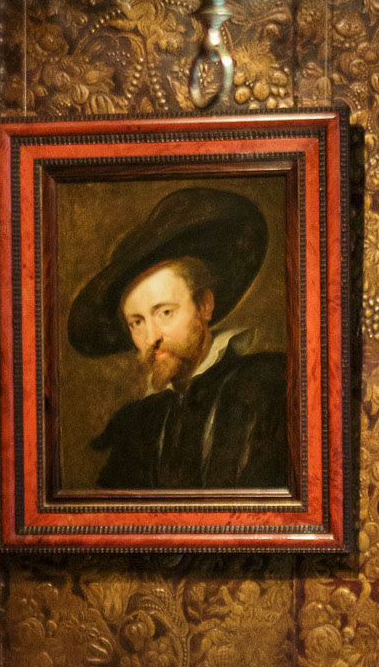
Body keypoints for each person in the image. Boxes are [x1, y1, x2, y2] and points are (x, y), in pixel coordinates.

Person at [65, 185, 292, 492]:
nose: (151, 337)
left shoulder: (272, 384)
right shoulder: (138, 425)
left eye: (165, 312)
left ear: (204, 306)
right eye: (137, 322)